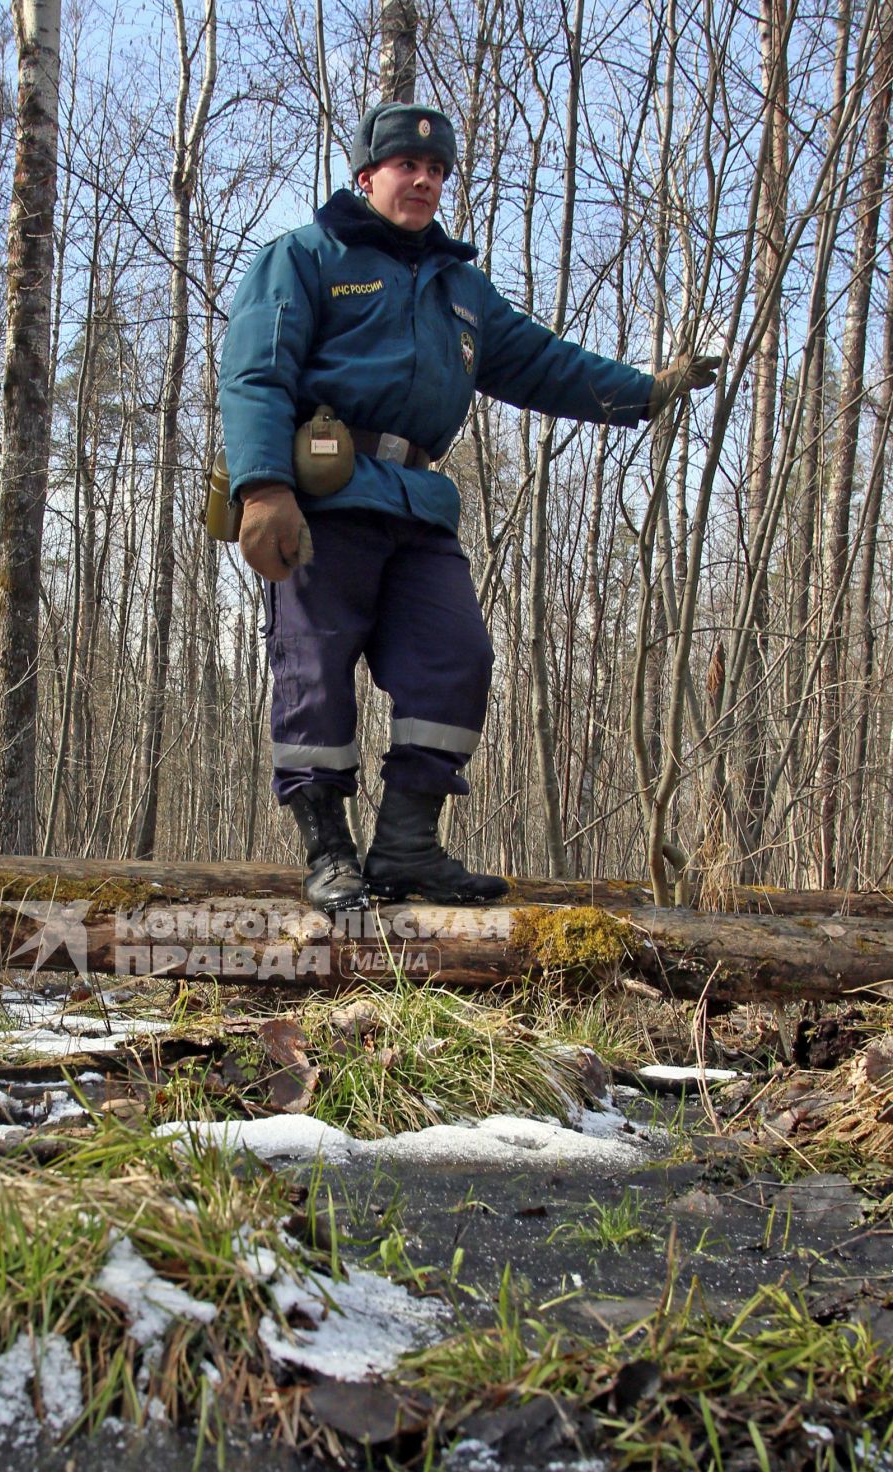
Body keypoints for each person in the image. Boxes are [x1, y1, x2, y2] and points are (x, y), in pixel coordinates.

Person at [218, 101, 718, 912]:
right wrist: (263, 486)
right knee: (314, 669)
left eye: (436, 169)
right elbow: (254, 372)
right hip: (322, 497)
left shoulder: (461, 291)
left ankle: (408, 848)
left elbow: (545, 365)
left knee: (456, 657)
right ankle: (329, 853)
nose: (422, 179)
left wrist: (648, 392)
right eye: (405, 166)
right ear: (366, 175)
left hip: (417, 504)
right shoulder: (305, 257)